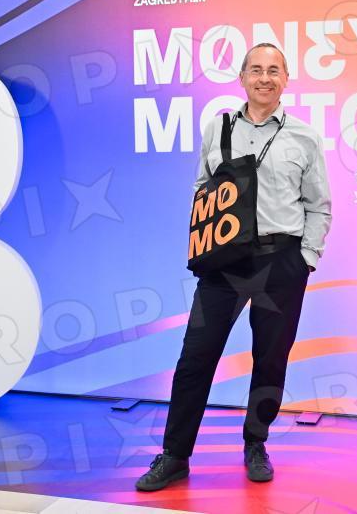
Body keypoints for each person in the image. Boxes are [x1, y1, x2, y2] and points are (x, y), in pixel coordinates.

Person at [136, 43, 332, 491]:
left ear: (286, 79)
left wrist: (305, 259)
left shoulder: (304, 137)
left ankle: (255, 443)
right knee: (195, 357)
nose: (265, 78)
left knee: (270, 360)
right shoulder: (218, 127)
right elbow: (203, 188)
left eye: (274, 70)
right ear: (242, 78)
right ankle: (175, 455)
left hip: (282, 260)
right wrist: (206, 246)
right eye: (256, 69)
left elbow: (319, 205)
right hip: (224, 263)